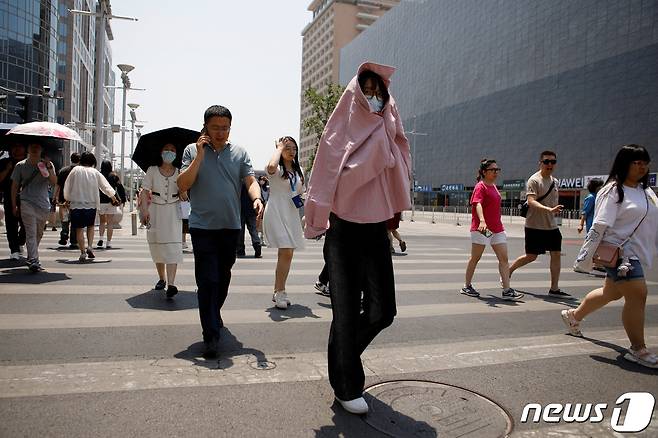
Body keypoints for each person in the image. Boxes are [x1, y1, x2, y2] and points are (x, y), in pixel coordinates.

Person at [304, 63, 411, 415]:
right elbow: (326, 175)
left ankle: (341, 357)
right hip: (343, 229)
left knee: (383, 312)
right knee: (346, 313)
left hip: (376, 228)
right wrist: (316, 218)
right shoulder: (340, 129)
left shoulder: (390, 128)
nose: (375, 98)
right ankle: (347, 384)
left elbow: (398, 169)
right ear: (355, 94)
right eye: (367, 90)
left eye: (380, 92)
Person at [177, 105, 263, 359]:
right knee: (207, 280)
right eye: (215, 128)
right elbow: (182, 184)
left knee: (223, 276)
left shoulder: (239, 152)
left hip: (230, 226)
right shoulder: (192, 151)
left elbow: (250, 180)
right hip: (202, 226)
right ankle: (211, 334)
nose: (220, 132)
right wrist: (199, 157)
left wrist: (257, 199)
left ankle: (214, 312)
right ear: (205, 127)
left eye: (225, 128)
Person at [564, 144, 658, 369]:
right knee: (638, 295)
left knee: (611, 292)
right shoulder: (613, 190)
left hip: (636, 252)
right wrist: (587, 255)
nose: (642, 167)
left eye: (645, 162)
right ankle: (638, 349)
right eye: (636, 162)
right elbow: (600, 224)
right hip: (620, 254)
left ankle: (573, 316)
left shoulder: (647, 192)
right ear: (624, 164)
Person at [508, 150, 570, 298]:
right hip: (534, 226)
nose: (550, 164)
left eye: (553, 162)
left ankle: (554, 289)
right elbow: (531, 201)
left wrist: (554, 210)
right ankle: (508, 271)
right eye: (546, 161)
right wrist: (549, 209)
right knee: (531, 256)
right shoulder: (534, 180)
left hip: (551, 226)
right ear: (540, 163)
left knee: (556, 254)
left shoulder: (555, 181)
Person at [461, 159, 523, 300]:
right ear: (484, 172)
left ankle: (507, 290)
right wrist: (482, 220)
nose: (496, 172)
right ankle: (467, 286)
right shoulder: (480, 186)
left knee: (504, 258)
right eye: (493, 170)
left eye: (497, 170)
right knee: (476, 257)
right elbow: (477, 204)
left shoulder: (494, 186)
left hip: (497, 229)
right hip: (483, 228)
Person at [263, 136, 306, 309]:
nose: (291, 150)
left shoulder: (299, 170)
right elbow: (272, 167)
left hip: (291, 213)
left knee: (287, 253)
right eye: (287, 147)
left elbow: (300, 192)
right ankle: (280, 291)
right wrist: (279, 148)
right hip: (276, 212)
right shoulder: (275, 167)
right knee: (286, 250)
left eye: (293, 148)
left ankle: (278, 289)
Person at [140, 144, 183, 298]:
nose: (169, 152)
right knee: (157, 246)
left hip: (173, 211)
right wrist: (144, 210)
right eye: (166, 149)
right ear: (160, 152)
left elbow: (184, 194)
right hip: (155, 211)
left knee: (173, 246)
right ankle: (162, 278)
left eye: (173, 150)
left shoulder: (180, 171)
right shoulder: (151, 170)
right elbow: (144, 192)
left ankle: (171, 284)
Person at [64, 151, 119, 262]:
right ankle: (89, 246)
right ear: (93, 161)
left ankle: (83, 252)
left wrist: (67, 198)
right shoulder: (95, 172)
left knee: (79, 229)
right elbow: (105, 186)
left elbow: (67, 185)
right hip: (91, 204)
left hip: (76, 204)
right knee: (90, 226)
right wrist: (113, 198)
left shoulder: (75, 171)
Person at [10, 142, 57, 272]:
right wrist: (14, 205)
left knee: (39, 233)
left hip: (43, 204)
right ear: (28, 149)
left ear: (42, 150)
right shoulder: (20, 166)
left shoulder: (47, 165)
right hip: (26, 202)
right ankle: (34, 260)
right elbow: (14, 187)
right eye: (32, 147)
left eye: (37, 147)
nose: (35, 149)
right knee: (30, 232)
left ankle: (31, 256)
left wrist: (48, 167)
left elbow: (53, 182)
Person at [0, 143, 27, 259]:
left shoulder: (29, 163)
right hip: (8, 196)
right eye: (14, 147)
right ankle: (14, 249)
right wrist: (7, 169)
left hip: (27, 197)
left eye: (19, 146)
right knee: (11, 224)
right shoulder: (4, 162)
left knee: (26, 223)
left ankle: (21, 241)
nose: (16, 149)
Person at [97, 160, 127, 249]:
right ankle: (108, 243)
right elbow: (120, 188)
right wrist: (123, 200)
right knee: (110, 223)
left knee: (102, 222)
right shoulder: (114, 176)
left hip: (100, 202)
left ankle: (101, 238)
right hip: (111, 202)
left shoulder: (98, 175)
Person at [54, 152, 80, 248]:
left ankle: (64, 234)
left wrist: (54, 197)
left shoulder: (63, 170)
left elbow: (58, 185)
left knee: (65, 219)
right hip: (76, 200)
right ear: (79, 160)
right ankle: (74, 241)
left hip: (63, 199)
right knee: (75, 220)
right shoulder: (80, 172)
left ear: (71, 159)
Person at [237, 183, 262, 258]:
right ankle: (257, 245)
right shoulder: (252, 183)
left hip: (240, 209)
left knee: (240, 231)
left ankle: (240, 250)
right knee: (253, 230)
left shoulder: (238, 183)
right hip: (251, 209)